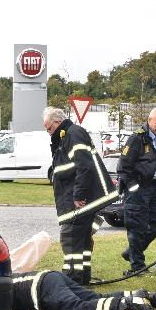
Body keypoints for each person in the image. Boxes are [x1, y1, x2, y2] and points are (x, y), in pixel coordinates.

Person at [44, 107, 119, 285]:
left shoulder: (73, 134)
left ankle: (72, 280)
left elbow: (83, 166)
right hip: (77, 198)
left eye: (48, 128)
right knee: (82, 239)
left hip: (78, 200)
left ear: (56, 122)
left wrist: (78, 195)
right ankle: (82, 277)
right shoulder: (67, 135)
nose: (48, 133)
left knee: (70, 238)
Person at [116, 108, 156, 276]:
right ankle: (136, 266)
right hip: (138, 188)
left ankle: (131, 251)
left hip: (154, 188)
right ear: (149, 120)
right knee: (136, 226)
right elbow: (123, 166)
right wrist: (133, 187)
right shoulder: (136, 138)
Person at [12, 270, 156, 310]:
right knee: (93, 298)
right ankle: (147, 296)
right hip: (49, 276)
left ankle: (127, 304)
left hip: (38, 290)